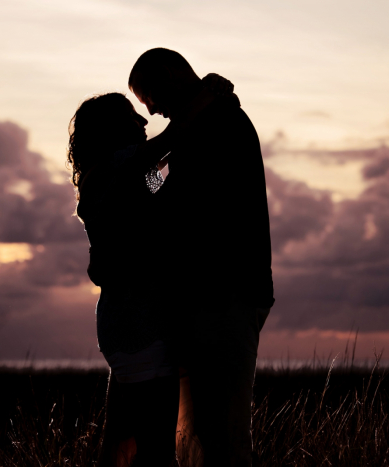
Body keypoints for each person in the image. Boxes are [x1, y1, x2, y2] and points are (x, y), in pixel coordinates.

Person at [67, 76, 235, 466]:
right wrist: (207, 97)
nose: (143, 123)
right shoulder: (117, 168)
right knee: (156, 453)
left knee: (132, 447)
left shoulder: (119, 177)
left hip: (127, 322)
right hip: (139, 325)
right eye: (131, 117)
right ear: (111, 129)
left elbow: (160, 175)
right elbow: (169, 142)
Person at [128, 48, 275, 467]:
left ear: (174, 74)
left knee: (221, 439)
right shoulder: (198, 126)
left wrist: (148, 174)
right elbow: (154, 184)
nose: (153, 110)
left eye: (150, 95)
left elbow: (160, 191)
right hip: (211, 301)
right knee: (198, 438)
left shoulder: (217, 124)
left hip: (224, 298)